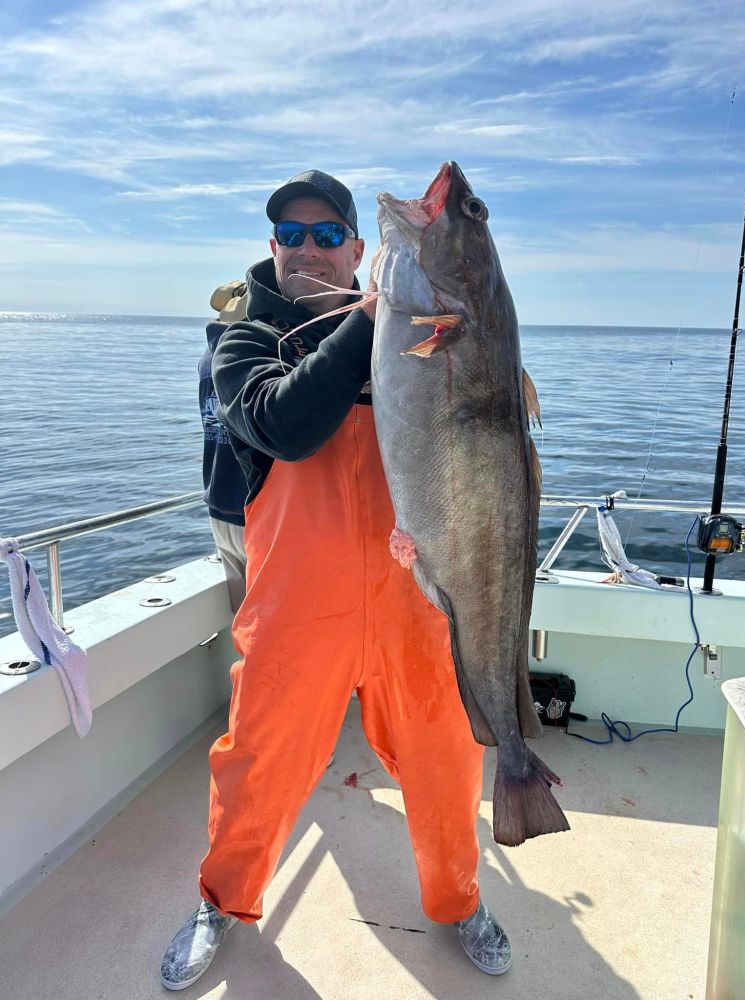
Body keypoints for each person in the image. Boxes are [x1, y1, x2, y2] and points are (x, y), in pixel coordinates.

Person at [161, 170, 511, 990]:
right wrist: (376, 318)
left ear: (359, 248)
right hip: (296, 607)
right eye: (291, 235)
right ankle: (222, 898)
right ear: (271, 247)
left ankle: (460, 901)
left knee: (444, 759)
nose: (308, 248)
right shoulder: (244, 338)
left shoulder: (422, 334)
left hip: (410, 595)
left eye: (327, 235)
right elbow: (281, 423)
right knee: (259, 760)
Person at [199, 281, 249, 612]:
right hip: (254, 513)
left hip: (218, 507)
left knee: (244, 622)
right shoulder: (249, 357)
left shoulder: (207, 359)